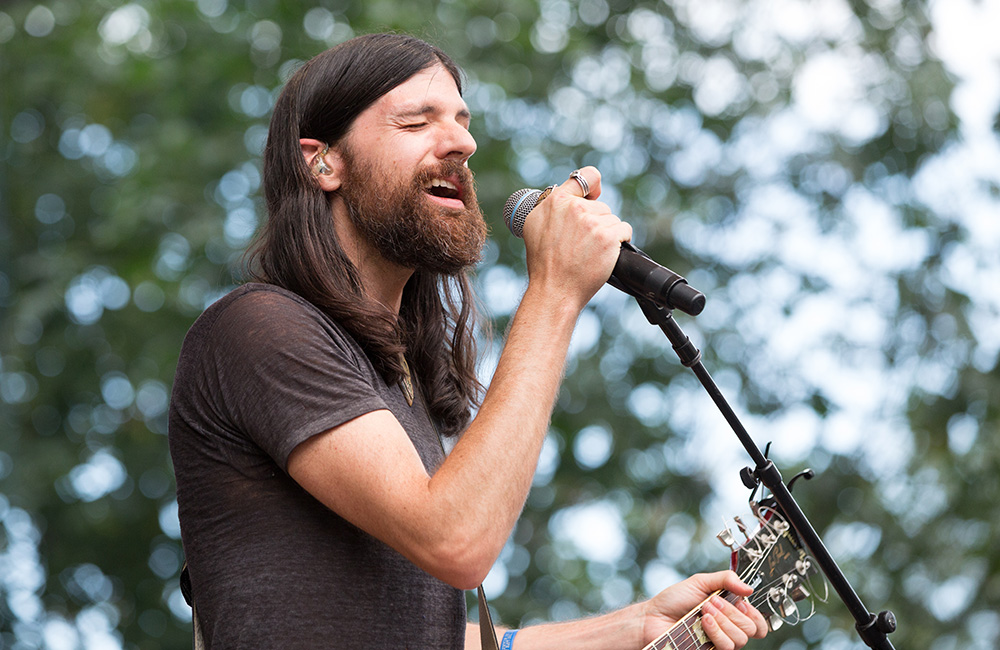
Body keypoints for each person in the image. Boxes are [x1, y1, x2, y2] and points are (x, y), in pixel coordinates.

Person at [168, 32, 769, 649]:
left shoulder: (400, 389)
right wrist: (555, 290)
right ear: (323, 162)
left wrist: (629, 627)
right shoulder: (258, 328)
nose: (462, 141)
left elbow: (434, 638)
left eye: (461, 120)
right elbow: (455, 540)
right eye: (415, 122)